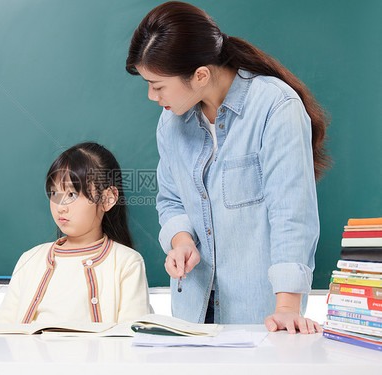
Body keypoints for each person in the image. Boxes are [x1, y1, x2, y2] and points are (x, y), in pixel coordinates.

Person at [126, 2, 329, 333]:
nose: (152, 95)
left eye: (158, 85)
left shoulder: (275, 107)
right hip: (191, 316)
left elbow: (291, 214)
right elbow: (171, 201)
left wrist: (288, 308)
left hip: (262, 318)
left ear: (201, 75)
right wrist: (182, 242)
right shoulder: (171, 122)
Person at [0, 142, 151, 324]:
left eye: (72, 194)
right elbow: (1, 332)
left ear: (108, 199)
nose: (60, 207)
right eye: (54, 193)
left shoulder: (127, 263)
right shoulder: (30, 260)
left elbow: (133, 338)